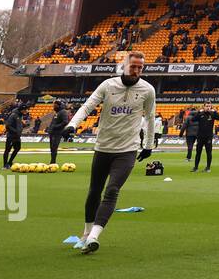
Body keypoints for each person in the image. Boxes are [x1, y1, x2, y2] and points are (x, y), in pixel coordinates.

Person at [62, 52, 156, 254]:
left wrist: (148, 145)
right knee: (94, 191)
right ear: (124, 65)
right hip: (103, 147)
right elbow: (88, 107)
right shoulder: (108, 85)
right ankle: (86, 233)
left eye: (141, 67)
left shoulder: (148, 90)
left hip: (127, 150)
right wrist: (72, 125)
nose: (137, 71)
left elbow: (149, 117)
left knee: (112, 190)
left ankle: (94, 236)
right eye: (134, 66)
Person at [192, 103, 219, 172]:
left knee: (209, 152)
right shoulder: (200, 114)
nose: (208, 107)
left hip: (208, 137)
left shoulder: (212, 114)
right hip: (200, 136)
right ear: (204, 107)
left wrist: (214, 111)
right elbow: (193, 119)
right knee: (198, 152)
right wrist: (199, 111)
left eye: (209, 106)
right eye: (206, 106)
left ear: (211, 107)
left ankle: (208, 168)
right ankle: (196, 167)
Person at [2, 103, 28, 170]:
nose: (26, 111)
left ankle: (10, 162)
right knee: (7, 150)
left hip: (17, 136)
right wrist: (15, 131)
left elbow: (18, 124)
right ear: (22, 110)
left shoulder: (20, 115)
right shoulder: (13, 115)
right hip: (11, 136)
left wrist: (23, 126)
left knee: (17, 148)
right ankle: (5, 165)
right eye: (25, 110)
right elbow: (8, 125)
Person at [47, 101, 70, 165]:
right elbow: (54, 122)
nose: (53, 107)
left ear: (58, 105)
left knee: (54, 147)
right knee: (52, 147)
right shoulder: (57, 112)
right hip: (52, 132)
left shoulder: (63, 112)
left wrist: (56, 127)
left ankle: (53, 162)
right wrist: (50, 129)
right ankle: (52, 161)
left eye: (55, 105)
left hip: (57, 132)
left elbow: (65, 122)